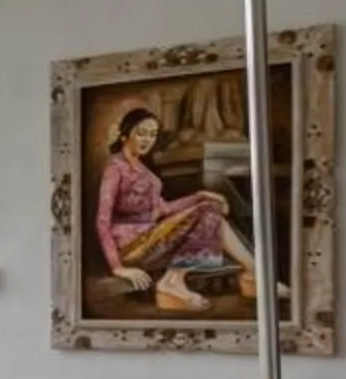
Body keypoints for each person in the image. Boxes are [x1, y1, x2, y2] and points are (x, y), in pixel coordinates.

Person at [94, 107, 264, 311]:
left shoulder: (144, 171)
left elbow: (163, 209)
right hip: (131, 248)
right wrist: (118, 268)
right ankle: (174, 282)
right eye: (141, 133)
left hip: (152, 241)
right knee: (208, 210)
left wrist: (202, 195)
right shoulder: (115, 167)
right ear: (124, 136)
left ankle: (253, 273)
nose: (147, 140)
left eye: (152, 134)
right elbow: (102, 220)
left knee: (209, 209)